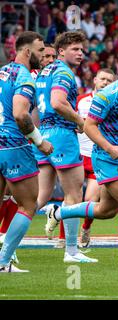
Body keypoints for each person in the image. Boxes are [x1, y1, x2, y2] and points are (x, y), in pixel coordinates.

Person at [45, 48, 118, 269]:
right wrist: (109, 148)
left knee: (106, 210)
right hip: (105, 157)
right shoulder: (108, 94)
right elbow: (89, 126)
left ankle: (59, 212)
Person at [33, 31, 97, 263]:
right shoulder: (63, 72)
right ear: (61, 51)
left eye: (82, 49)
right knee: (73, 195)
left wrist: (36, 136)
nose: (81, 53)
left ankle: (6, 247)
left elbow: (34, 110)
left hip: (43, 135)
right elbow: (57, 102)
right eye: (75, 49)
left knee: (38, 197)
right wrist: (80, 121)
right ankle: (71, 251)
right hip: (62, 134)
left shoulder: (44, 72)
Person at [0, 31, 54, 272]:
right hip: (13, 145)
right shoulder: (24, 77)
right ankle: (3, 262)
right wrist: (39, 140)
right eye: (41, 51)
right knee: (28, 204)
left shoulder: (1, 72)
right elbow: (21, 114)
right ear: (27, 52)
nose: (43, 56)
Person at [75, 68, 116, 248]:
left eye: (109, 80)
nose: (105, 83)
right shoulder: (81, 101)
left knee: (90, 200)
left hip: (96, 157)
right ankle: (63, 238)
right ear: (95, 80)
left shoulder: (113, 104)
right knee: (72, 197)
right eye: (103, 79)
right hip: (76, 155)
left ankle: (85, 228)